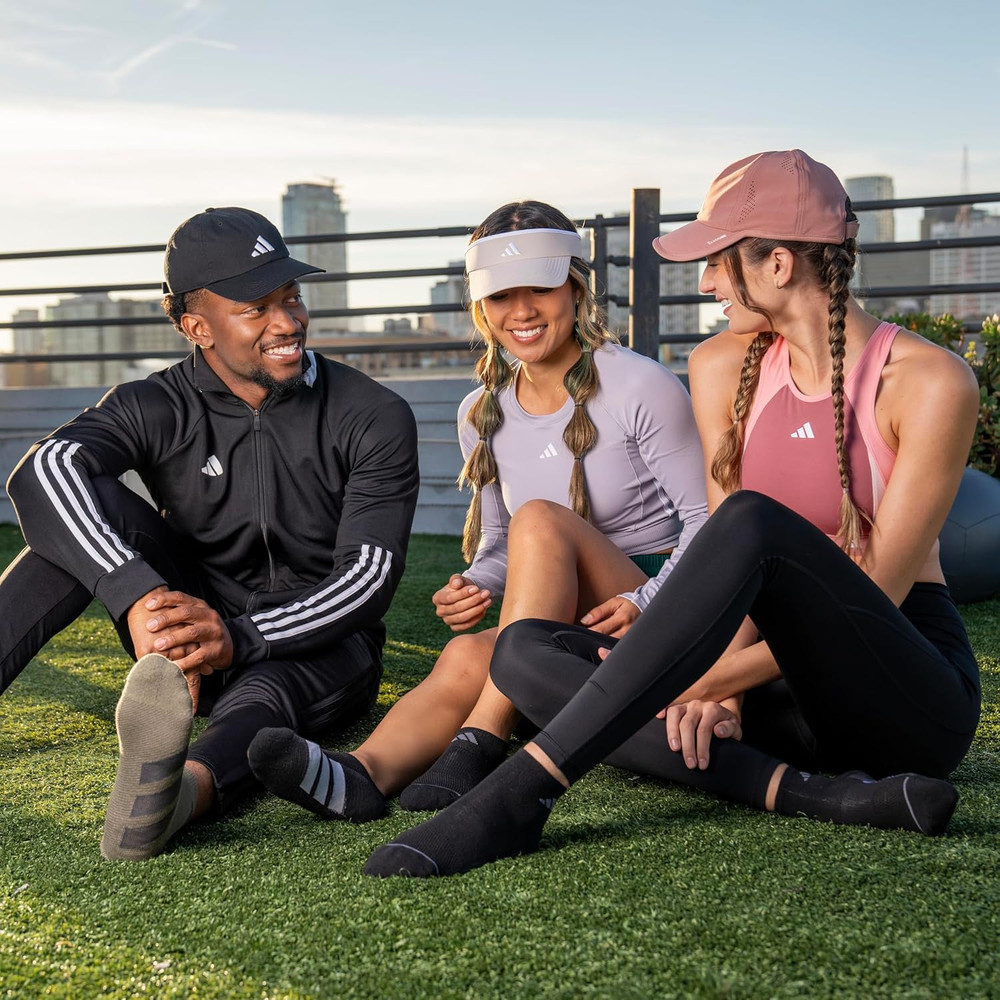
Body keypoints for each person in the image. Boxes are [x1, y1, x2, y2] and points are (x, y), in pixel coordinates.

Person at [362, 149, 982, 878]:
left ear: (778, 264)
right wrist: (722, 688)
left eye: (716, 261)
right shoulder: (723, 365)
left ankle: (519, 795)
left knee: (750, 521)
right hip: (779, 697)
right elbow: (727, 575)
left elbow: (876, 597)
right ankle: (824, 797)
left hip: (902, 693)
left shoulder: (931, 381)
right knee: (525, 655)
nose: (708, 281)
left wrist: (702, 683)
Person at [245, 200, 708, 822]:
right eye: (500, 295)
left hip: (654, 610)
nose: (520, 312)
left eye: (539, 288)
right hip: (572, 620)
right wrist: (475, 583)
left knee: (541, 519)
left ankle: (484, 736)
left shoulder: (640, 386)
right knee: (465, 653)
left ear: (575, 288)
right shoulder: (479, 413)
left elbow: (709, 524)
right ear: (479, 306)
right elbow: (498, 543)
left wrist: (644, 601)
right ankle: (359, 775)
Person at [0, 206, 419, 860]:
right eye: (257, 308)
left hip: (317, 641)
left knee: (264, 696)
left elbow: (366, 579)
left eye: (292, 298)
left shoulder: (373, 414)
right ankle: (174, 707)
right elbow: (45, 469)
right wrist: (137, 596)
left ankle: (171, 800)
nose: (288, 322)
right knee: (80, 510)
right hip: (192, 617)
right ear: (196, 327)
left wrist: (242, 638)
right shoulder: (154, 403)